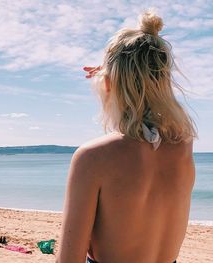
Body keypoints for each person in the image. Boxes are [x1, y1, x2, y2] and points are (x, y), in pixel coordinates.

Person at [57, 11, 196, 263]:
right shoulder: (183, 146)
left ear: (109, 83)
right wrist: (120, 75)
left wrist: (112, 76)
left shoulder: (93, 158)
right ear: (162, 80)